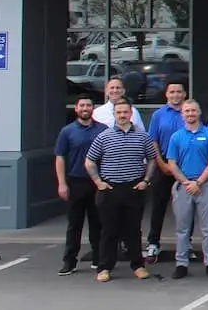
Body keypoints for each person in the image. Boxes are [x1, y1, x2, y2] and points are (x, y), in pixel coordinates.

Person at [84, 99, 157, 282]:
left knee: (133, 230)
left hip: (134, 188)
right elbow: (90, 161)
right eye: (119, 113)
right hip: (110, 189)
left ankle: (138, 266)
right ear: (114, 115)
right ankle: (104, 268)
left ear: (131, 113)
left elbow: (152, 160)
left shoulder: (143, 136)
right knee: (109, 231)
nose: (122, 115)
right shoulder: (104, 136)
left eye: (125, 112)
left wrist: (146, 181)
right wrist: (98, 182)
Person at [164, 99, 208, 279]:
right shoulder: (176, 137)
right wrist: (186, 183)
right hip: (184, 186)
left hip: (206, 185)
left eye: (193, 111)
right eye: (187, 111)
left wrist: (199, 182)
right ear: (182, 115)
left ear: (199, 113)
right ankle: (181, 264)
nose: (190, 114)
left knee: (207, 228)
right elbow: (172, 164)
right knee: (182, 229)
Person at [55, 95, 107, 276]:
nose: (85, 108)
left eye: (89, 105)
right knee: (74, 225)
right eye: (82, 105)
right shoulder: (67, 131)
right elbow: (60, 157)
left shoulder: (103, 129)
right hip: (75, 181)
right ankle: (69, 262)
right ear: (76, 109)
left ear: (93, 108)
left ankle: (99, 260)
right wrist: (62, 183)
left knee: (97, 223)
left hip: (97, 183)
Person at [143, 80, 189, 263]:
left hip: (185, 165)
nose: (176, 95)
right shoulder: (158, 115)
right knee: (159, 205)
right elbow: (152, 140)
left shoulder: (189, 112)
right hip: (163, 164)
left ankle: (186, 243)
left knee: (185, 208)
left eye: (179, 92)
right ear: (166, 95)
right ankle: (153, 242)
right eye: (172, 92)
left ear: (184, 94)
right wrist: (161, 163)